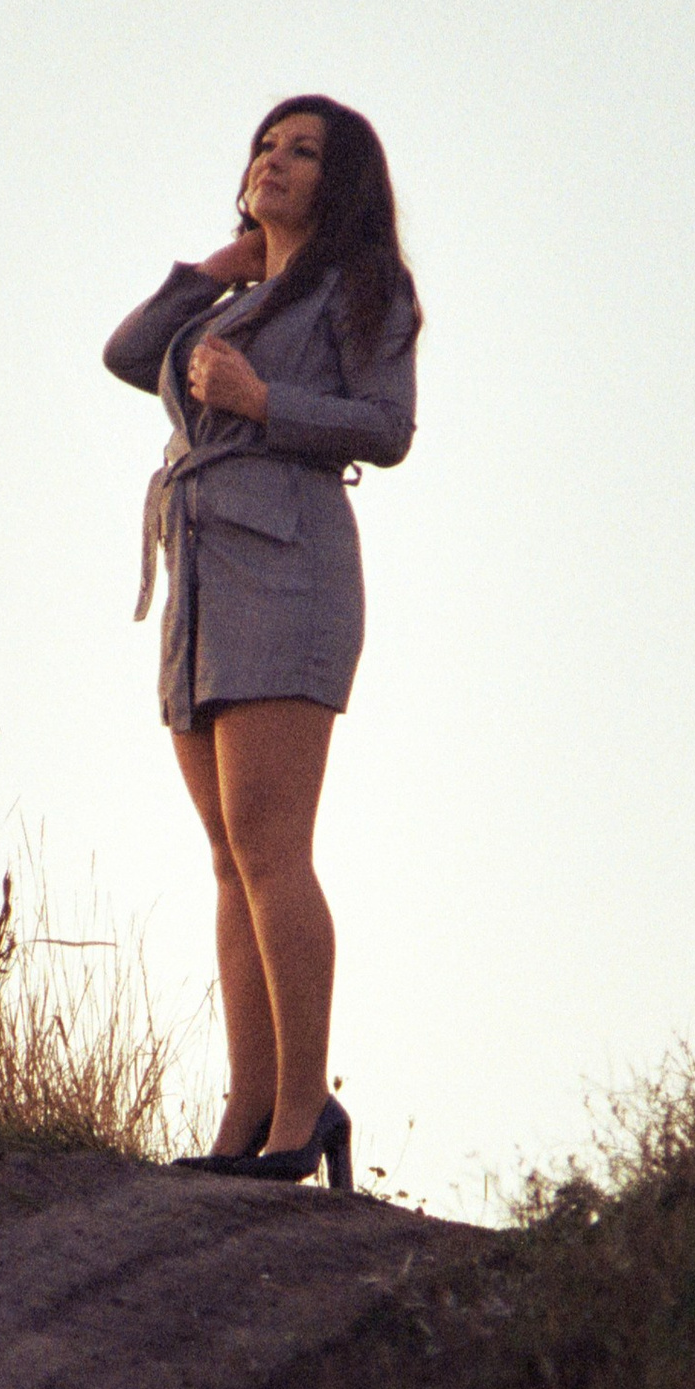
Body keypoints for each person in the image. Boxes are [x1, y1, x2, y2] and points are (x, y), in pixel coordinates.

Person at [103, 94, 420, 1188]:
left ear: (342, 182)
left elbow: (387, 427)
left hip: (290, 566)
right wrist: (212, 270)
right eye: (265, 146)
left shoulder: (364, 287)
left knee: (271, 843)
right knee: (228, 857)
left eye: (304, 152)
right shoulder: (232, 301)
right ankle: (246, 1107)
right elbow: (125, 353)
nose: (275, 161)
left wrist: (264, 399)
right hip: (200, 576)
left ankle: (301, 1110)